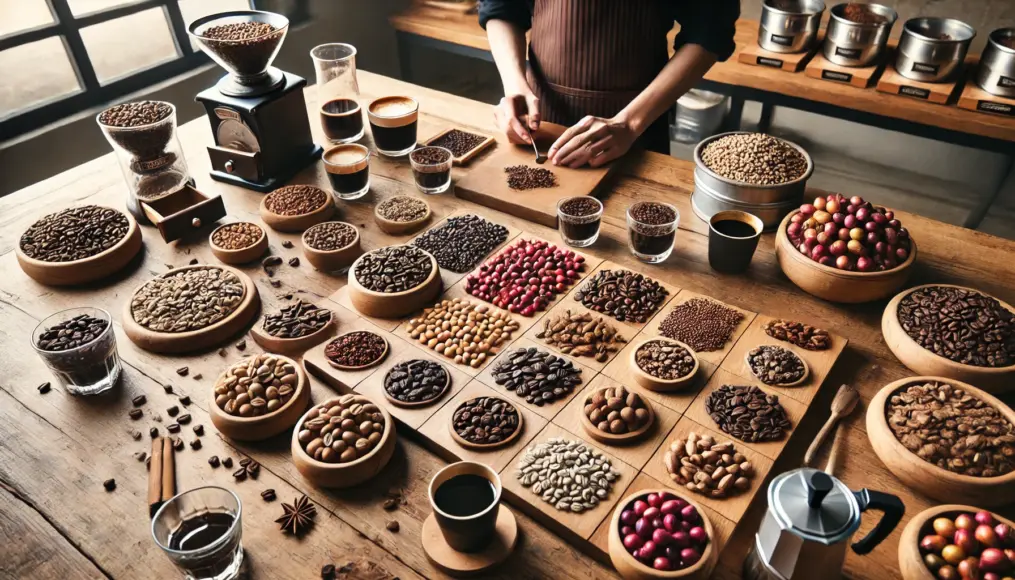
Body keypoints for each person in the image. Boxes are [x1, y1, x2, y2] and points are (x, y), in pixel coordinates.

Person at [479, 0, 739, 168]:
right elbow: (502, 7)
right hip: (541, 123)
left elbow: (709, 33)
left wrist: (629, 123)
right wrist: (515, 84)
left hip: (636, 127)